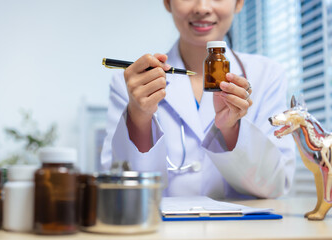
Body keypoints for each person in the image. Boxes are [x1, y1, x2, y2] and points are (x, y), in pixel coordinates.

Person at [101, 0, 296, 199]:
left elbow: (275, 187)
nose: (202, 8)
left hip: (240, 230)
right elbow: (119, 186)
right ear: (167, 3)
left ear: (238, 3)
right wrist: (139, 116)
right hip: (160, 228)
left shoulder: (267, 75)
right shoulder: (130, 83)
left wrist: (231, 130)